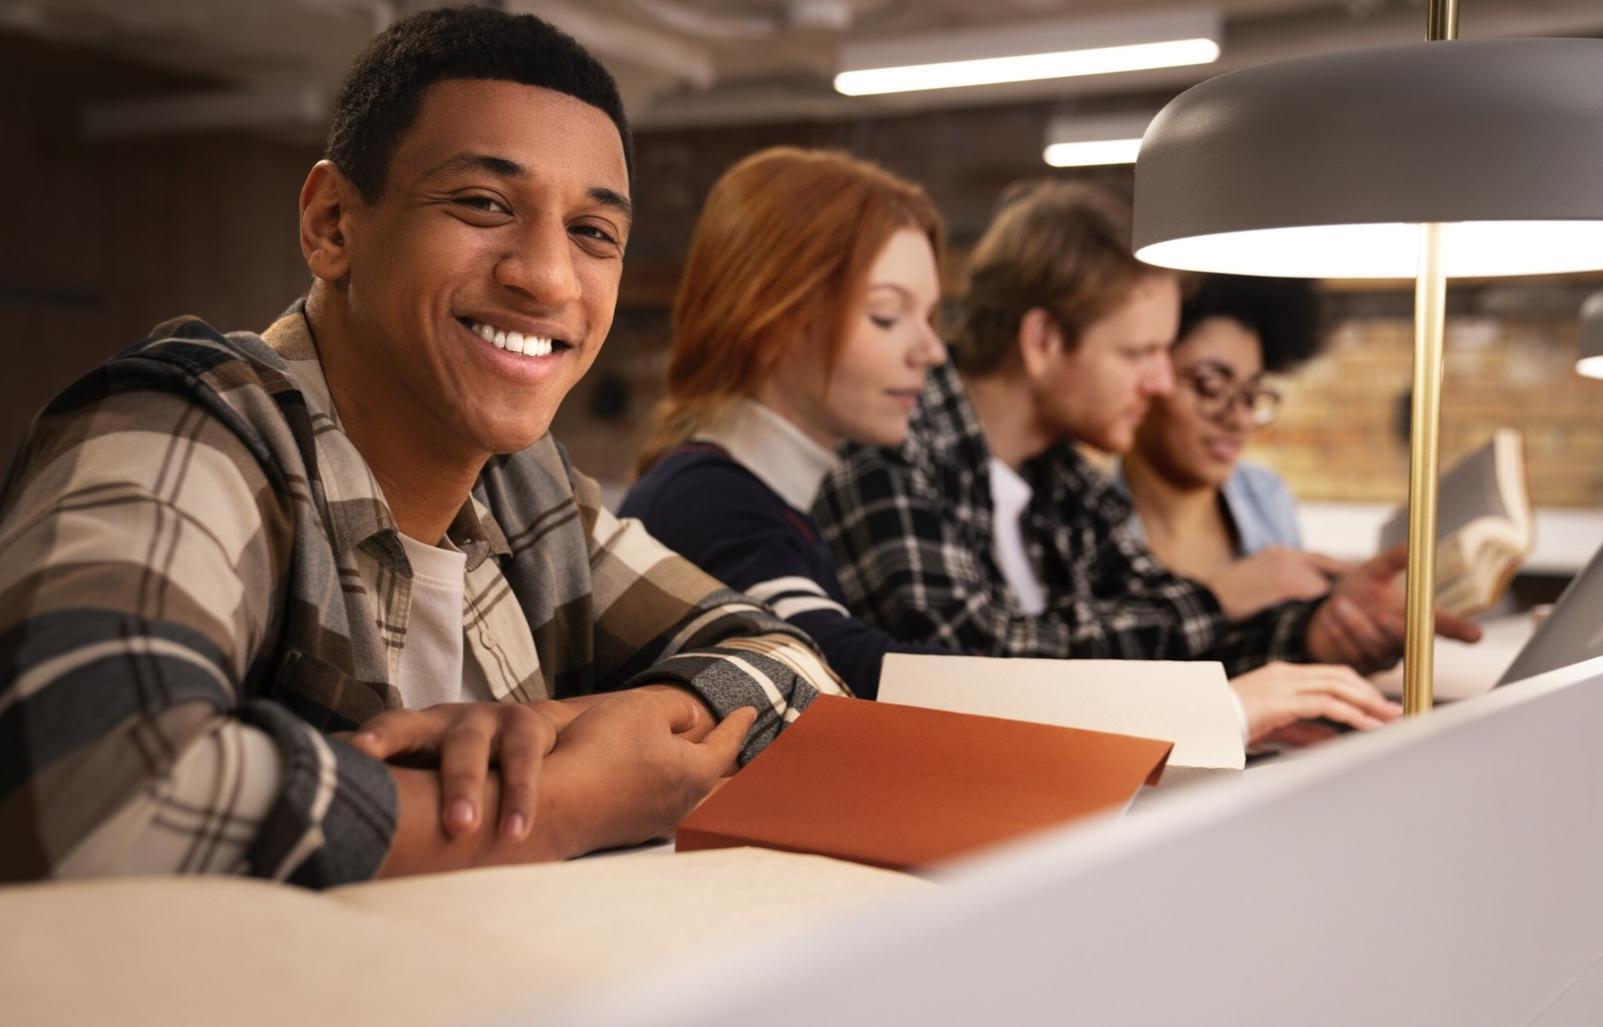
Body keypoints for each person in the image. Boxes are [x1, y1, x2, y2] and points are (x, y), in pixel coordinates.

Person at [0, 7, 843, 888]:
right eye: (483, 204)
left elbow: (796, 667)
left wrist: (621, 723)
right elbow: (84, 798)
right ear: (333, 224)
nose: (549, 276)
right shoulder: (184, 425)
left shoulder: (529, 490)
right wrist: (568, 800)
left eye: (593, 233)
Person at [814, 180, 1480, 746]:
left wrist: (1319, 630)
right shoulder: (896, 444)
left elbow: (1157, 631)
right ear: (1043, 341)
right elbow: (971, 666)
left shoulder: (1062, 478)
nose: (1161, 382)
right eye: (1139, 354)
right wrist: (1218, 595)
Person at [621, 147, 952, 699]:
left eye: (932, 316)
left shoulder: (750, 494)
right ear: (771, 318)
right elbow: (833, 668)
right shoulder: (706, 500)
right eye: (888, 315)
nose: (933, 350)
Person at [1117, 274, 1342, 581]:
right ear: (1148, 377)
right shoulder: (1085, 520)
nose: (1239, 419)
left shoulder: (1266, 498)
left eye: (1250, 396)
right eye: (1209, 386)